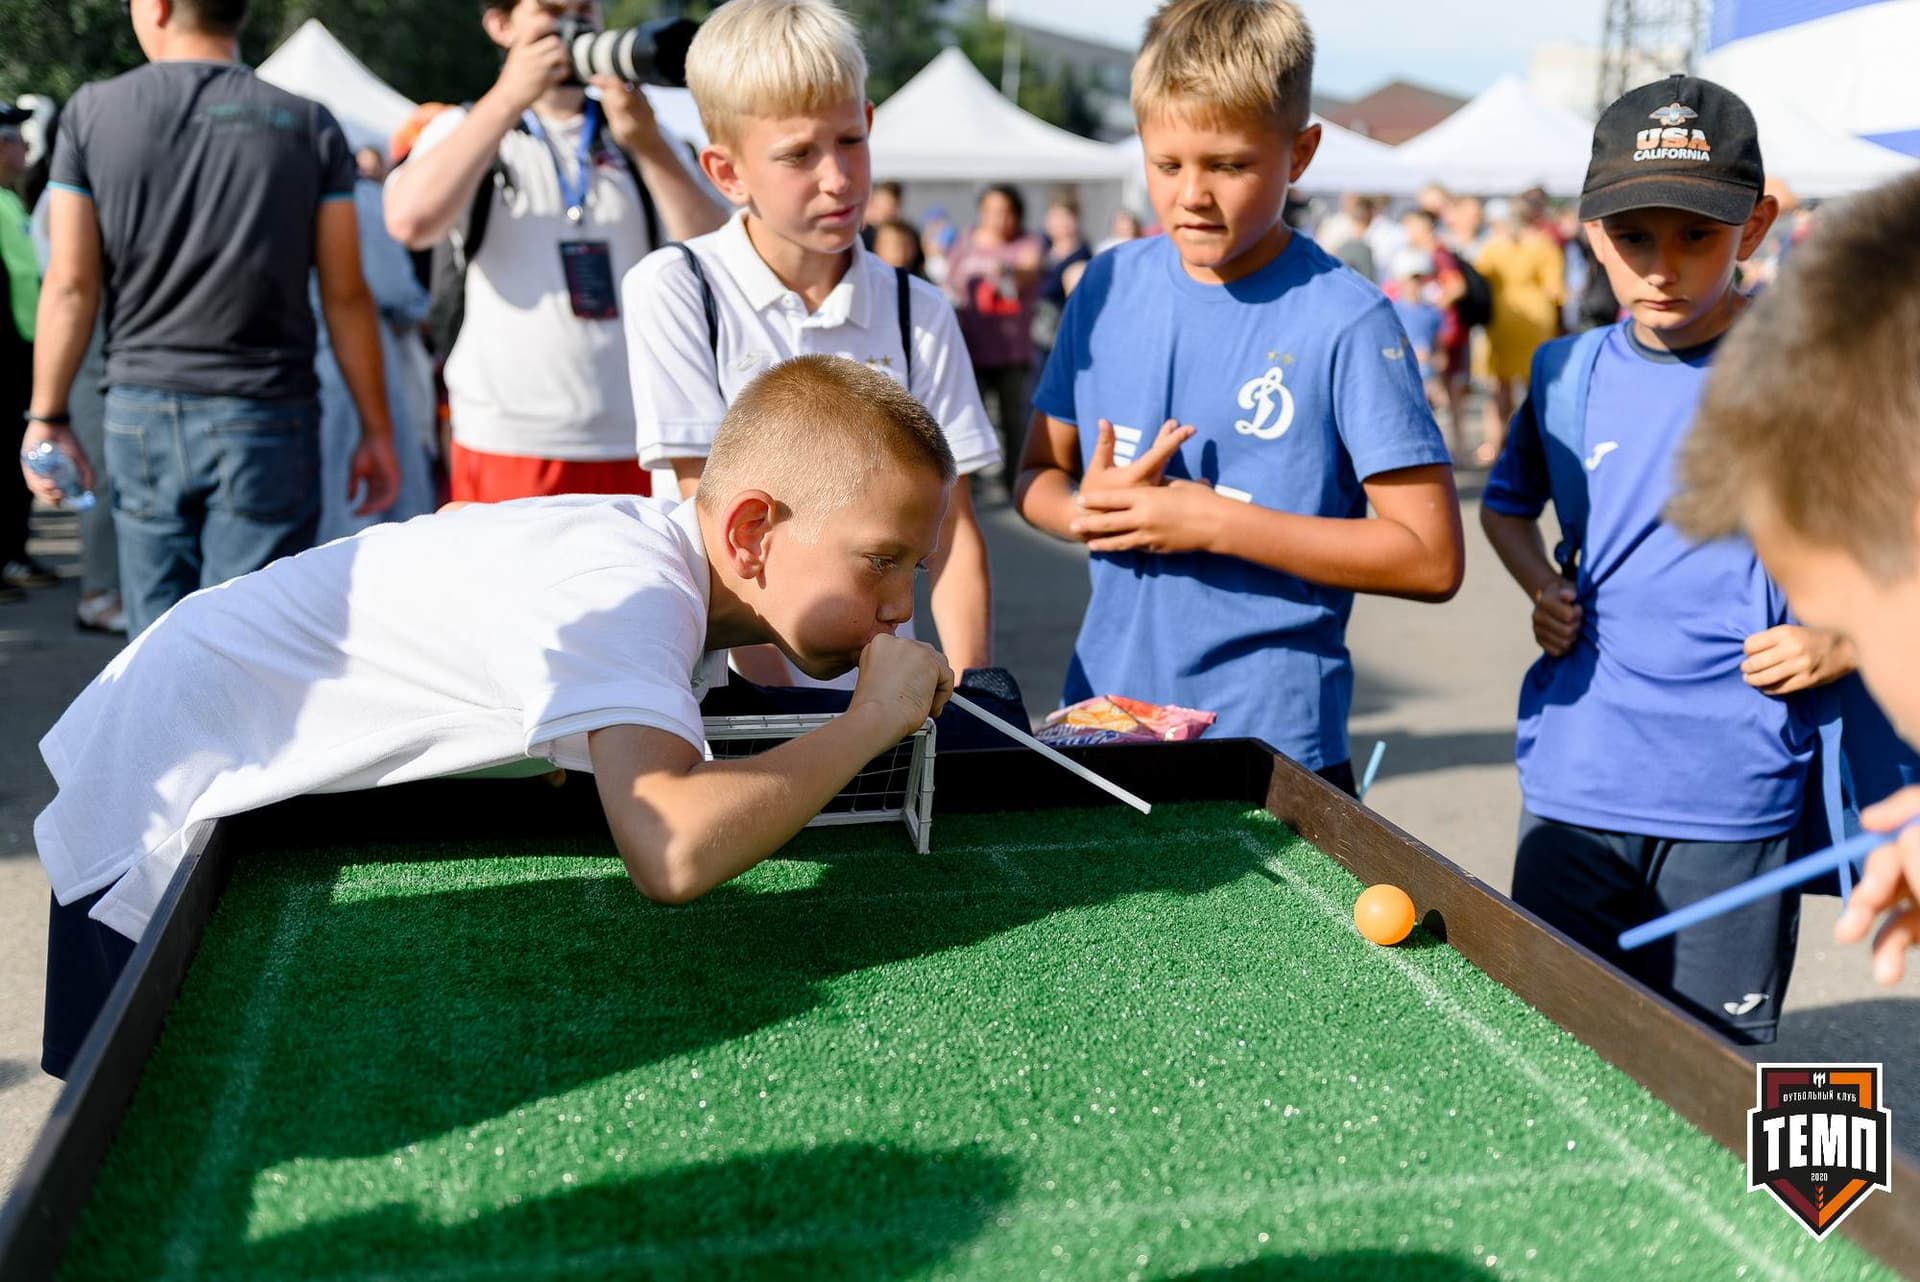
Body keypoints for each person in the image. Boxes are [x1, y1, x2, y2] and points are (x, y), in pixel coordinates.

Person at [36, 353, 959, 1078]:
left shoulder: (654, 561)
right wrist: (866, 721)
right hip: (157, 806)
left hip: (197, 740)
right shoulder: (632, 588)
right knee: (136, 1143)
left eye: (910, 572)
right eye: (878, 560)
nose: (898, 608)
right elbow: (672, 851)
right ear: (751, 534)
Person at [1479, 75, 1860, 1043]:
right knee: (1551, 1055)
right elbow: (1507, 508)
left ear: (1757, 226)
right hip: (1575, 779)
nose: (1663, 266)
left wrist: (1841, 639)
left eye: (1698, 235)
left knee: (1708, 1072)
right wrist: (1540, 585)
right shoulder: (1564, 374)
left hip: (1735, 792)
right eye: (1634, 236)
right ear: (1592, 229)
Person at [1015, 0, 1463, 795]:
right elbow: (1036, 480)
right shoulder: (1108, 283)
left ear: (1302, 152)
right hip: (1104, 717)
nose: (1192, 194)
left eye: (1228, 165)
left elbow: (1430, 559)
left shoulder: (1348, 317)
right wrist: (1090, 509)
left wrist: (1212, 521)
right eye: (1167, 165)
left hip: (1271, 741)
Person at [623, 0, 999, 691]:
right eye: (799, 153)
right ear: (726, 171)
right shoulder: (676, 289)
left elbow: (955, 534)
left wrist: (977, 692)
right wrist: (794, 718)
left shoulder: (920, 308)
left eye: (850, 141)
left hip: (885, 700)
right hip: (726, 689)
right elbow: (720, 538)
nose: (838, 177)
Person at [20, 0, 400, 638]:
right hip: (267, 412)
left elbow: (70, 283)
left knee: (155, 645)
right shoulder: (309, 123)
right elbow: (345, 293)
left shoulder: (91, 111)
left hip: (140, 406)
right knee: (251, 641)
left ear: (159, 7)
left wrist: (47, 416)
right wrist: (377, 429)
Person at [382, 0, 726, 505]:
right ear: (501, 25)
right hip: (507, 439)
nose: (572, 25)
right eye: (551, 10)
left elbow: (719, 255)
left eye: (586, 10)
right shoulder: (465, 125)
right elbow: (410, 222)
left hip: (641, 437)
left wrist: (648, 145)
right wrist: (507, 99)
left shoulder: (641, 132)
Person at [314, 145, 440, 541]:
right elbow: (397, 294)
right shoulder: (358, 198)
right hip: (360, 367)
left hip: (299, 367)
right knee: (366, 515)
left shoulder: (272, 188)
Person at [944, 184, 1044, 495]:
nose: (998, 218)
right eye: (991, 211)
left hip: (1012, 351)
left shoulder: (1026, 244)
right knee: (967, 418)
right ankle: (965, 483)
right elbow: (950, 283)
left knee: (1012, 419)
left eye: (1005, 211)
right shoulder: (966, 242)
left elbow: (1029, 269)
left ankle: (1014, 480)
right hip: (971, 346)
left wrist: (1009, 270)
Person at [0, 100, 52, 601]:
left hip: (19, 356)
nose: (24, 147)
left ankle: (13, 553)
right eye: (14, 140)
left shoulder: (11, 202)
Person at [1473, 196, 1564, 465]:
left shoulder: (1493, 245)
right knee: (1533, 385)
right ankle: (1536, 442)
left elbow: (1480, 278)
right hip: (1535, 320)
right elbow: (1555, 289)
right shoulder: (1544, 245)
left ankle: (1495, 443)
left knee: (1498, 387)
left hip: (1502, 319)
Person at [1033, 192, 1090, 362]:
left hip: (1060, 341)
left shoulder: (1082, 258)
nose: (1060, 223)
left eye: (1066, 217)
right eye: (1055, 216)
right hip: (1036, 341)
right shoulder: (1040, 249)